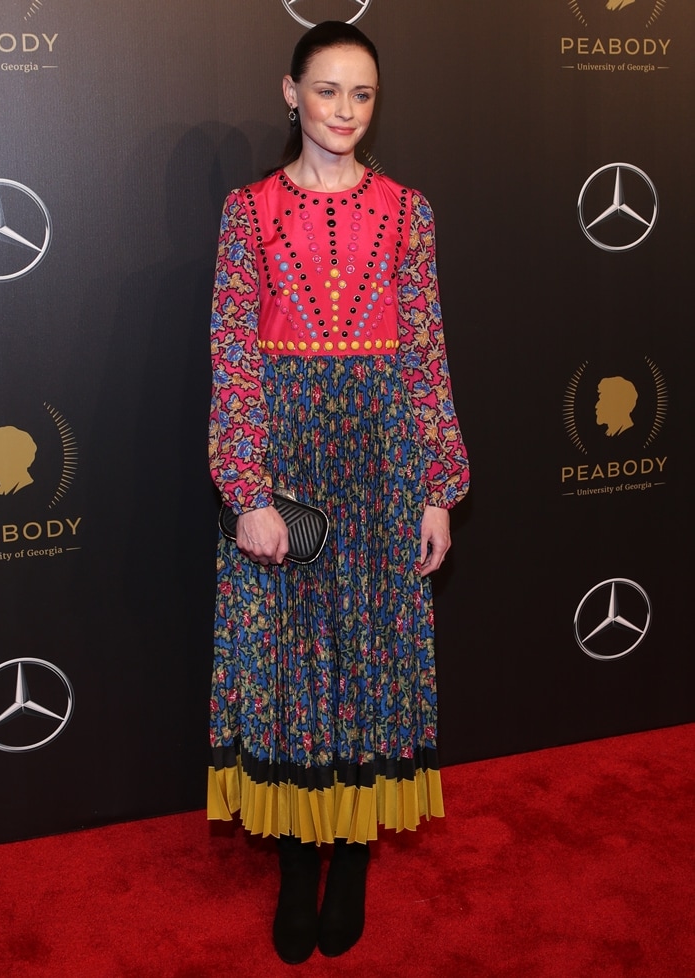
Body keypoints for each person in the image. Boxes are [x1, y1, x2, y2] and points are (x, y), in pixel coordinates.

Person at [207, 20, 469, 965]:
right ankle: (290, 866)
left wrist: (438, 487)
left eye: (362, 94)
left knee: (371, 661)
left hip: (384, 456)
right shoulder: (248, 212)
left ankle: (352, 862)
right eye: (326, 91)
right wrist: (249, 492)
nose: (345, 111)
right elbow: (234, 356)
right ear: (291, 93)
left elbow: (429, 351)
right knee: (286, 664)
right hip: (286, 456)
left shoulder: (410, 211)